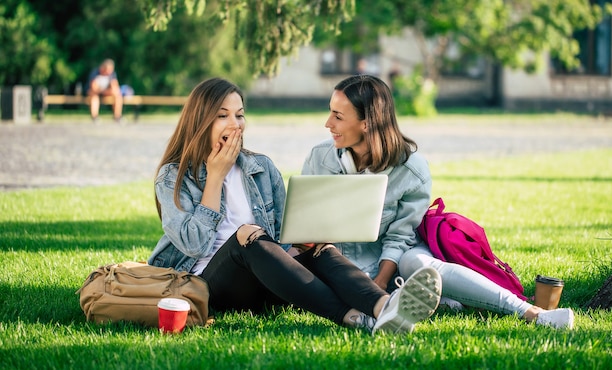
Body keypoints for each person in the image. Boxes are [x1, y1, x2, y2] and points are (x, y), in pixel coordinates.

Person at [147, 77, 443, 335]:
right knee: (247, 236)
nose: (235, 124)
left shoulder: (260, 167)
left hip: (269, 284)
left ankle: (383, 307)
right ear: (200, 121)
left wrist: (303, 243)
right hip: (206, 288)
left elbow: (280, 240)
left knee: (319, 246)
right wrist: (214, 178)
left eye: (239, 115)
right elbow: (194, 245)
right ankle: (355, 318)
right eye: (223, 115)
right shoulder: (173, 176)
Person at [301, 74, 575, 329]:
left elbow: (400, 237)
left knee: (420, 264)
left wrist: (380, 282)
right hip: (337, 263)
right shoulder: (320, 158)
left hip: (391, 262)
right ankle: (435, 302)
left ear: (367, 123)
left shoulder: (412, 170)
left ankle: (533, 312)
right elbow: (307, 223)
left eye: (337, 116)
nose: (328, 123)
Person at [87, 58, 123, 124]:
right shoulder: (95, 73)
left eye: (111, 70)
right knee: (94, 97)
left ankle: (117, 116)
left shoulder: (111, 74)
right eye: (108, 70)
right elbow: (93, 88)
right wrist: (105, 91)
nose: (109, 72)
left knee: (118, 96)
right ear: (103, 68)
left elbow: (116, 88)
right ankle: (95, 117)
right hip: (95, 93)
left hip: (104, 92)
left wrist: (110, 89)